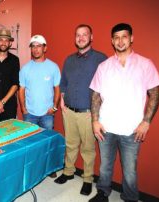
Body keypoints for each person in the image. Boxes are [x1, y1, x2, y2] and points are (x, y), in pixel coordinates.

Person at [89, 23, 159, 202]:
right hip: (106, 127)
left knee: (130, 170)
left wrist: (146, 122)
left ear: (131, 38)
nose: (120, 41)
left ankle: (130, 197)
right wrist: (95, 121)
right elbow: (96, 95)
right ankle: (102, 193)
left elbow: (155, 94)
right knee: (105, 166)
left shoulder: (145, 64)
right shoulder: (103, 66)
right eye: (116, 37)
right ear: (112, 41)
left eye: (124, 36)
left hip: (132, 129)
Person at [55, 24, 107, 196]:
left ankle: (87, 179)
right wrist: (62, 100)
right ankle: (68, 172)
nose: (81, 38)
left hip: (88, 113)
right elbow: (63, 83)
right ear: (75, 38)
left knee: (88, 149)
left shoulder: (101, 59)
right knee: (70, 144)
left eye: (85, 34)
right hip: (69, 111)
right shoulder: (69, 59)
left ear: (91, 37)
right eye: (78, 35)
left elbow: (106, 85)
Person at [19, 35, 61, 177]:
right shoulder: (25, 69)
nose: (36, 49)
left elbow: (57, 89)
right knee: (30, 144)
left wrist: (54, 107)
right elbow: (21, 90)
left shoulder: (53, 67)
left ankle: (49, 168)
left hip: (47, 114)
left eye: (39, 46)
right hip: (30, 113)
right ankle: (31, 169)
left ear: (45, 48)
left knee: (47, 142)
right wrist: (24, 109)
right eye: (33, 46)